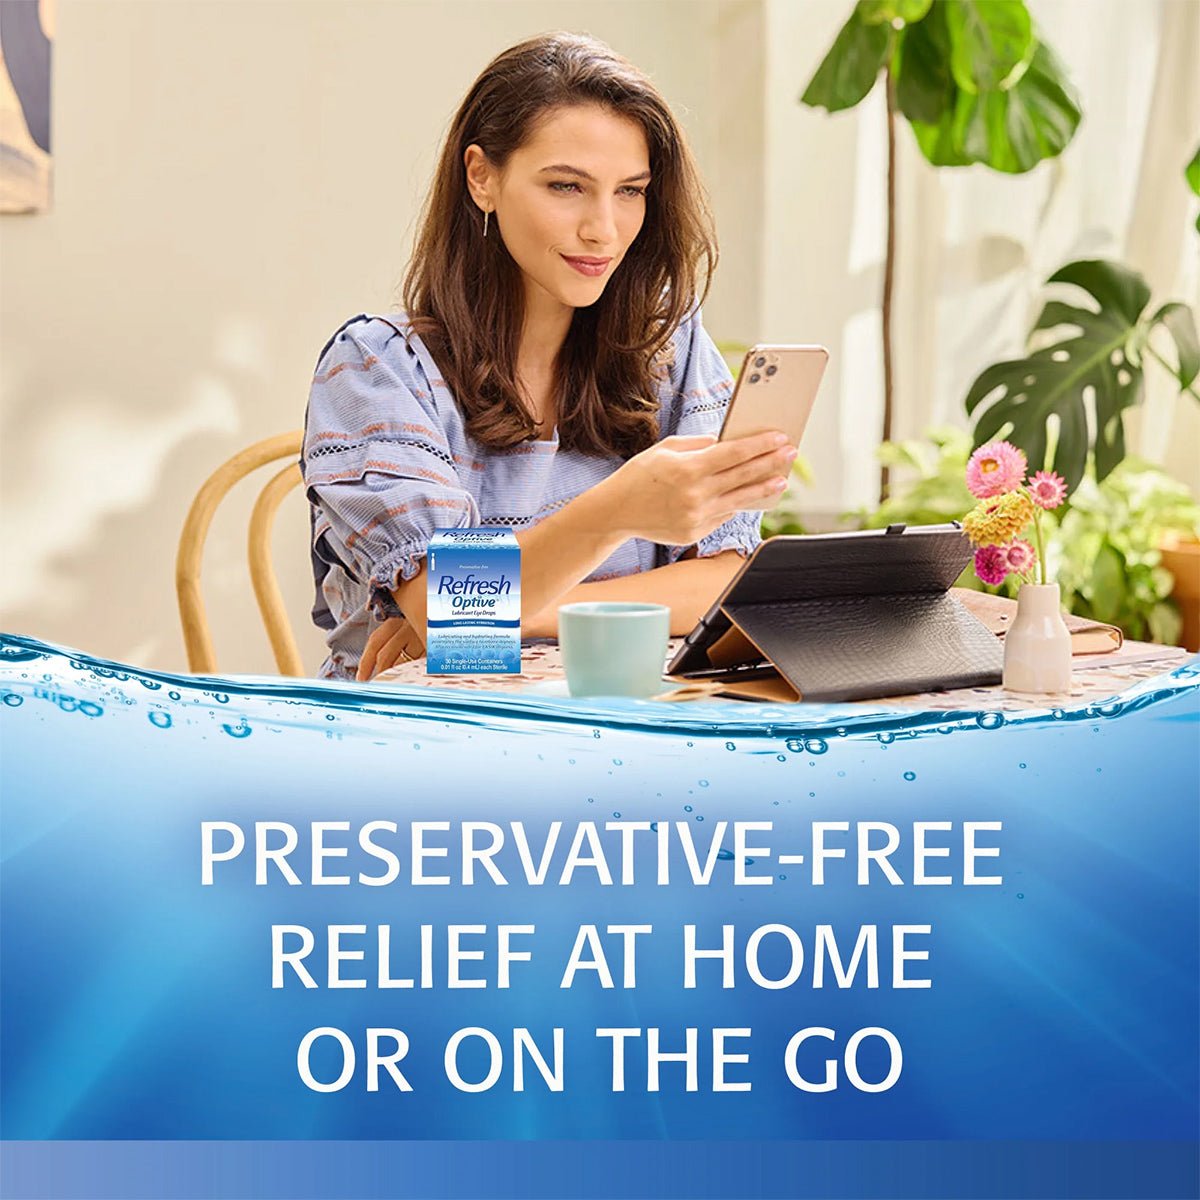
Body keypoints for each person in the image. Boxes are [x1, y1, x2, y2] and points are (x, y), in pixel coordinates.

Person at [301, 31, 797, 682]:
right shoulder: (379, 366)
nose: (604, 228)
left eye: (630, 190)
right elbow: (449, 605)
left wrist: (502, 613)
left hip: (621, 725)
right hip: (425, 738)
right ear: (481, 177)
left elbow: (727, 582)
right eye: (566, 186)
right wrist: (619, 508)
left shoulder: (667, 349)